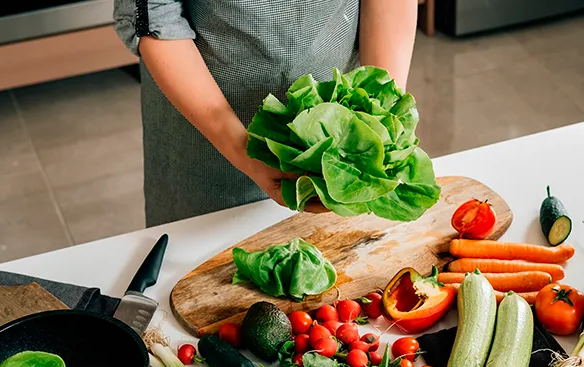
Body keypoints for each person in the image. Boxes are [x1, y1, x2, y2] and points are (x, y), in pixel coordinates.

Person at [114, 0, 418, 227]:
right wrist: (245, 151)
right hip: (208, 147)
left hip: (338, 150)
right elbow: (156, 15)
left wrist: (378, 121)